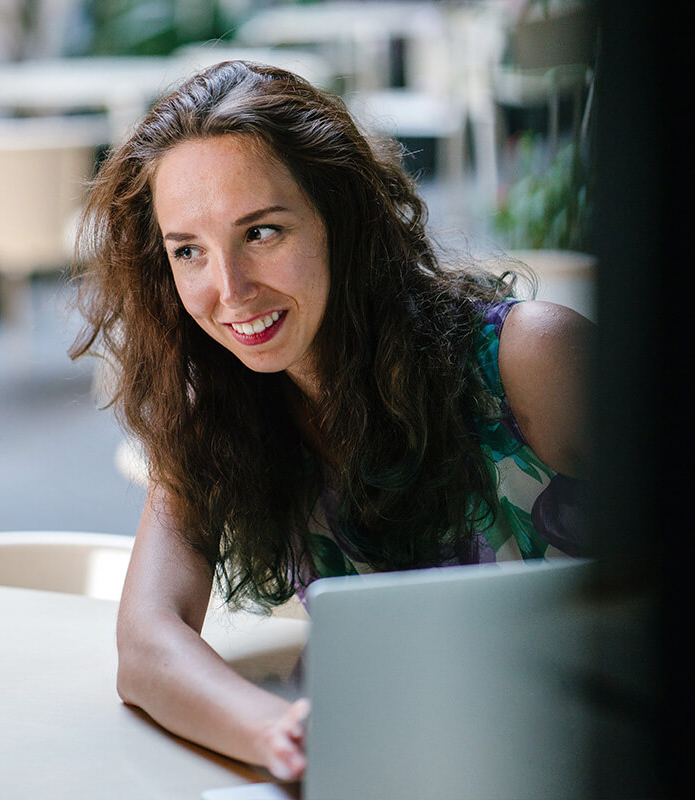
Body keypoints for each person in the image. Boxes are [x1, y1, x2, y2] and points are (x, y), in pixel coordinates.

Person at [69, 61, 592, 782]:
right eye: (188, 250)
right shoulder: (216, 414)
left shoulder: (531, 358)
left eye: (261, 232)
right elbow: (147, 644)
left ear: (340, 217)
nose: (230, 291)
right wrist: (281, 733)